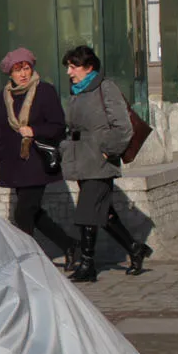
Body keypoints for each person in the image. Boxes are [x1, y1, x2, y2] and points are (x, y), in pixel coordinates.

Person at [59, 46, 151, 282]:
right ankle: (135, 248)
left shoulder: (105, 87)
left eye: (73, 66)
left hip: (99, 162)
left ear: (88, 67)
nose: (69, 72)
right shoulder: (77, 91)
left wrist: (107, 151)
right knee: (102, 214)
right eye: (68, 66)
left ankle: (88, 265)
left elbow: (123, 127)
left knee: (87, 213)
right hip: (82, 161)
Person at [0, 48, 77, 268]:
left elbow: (58, 127)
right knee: (33, 212)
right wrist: (0, 158)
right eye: (18, 70)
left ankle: (27, 261)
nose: (23, 74)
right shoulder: (5, 96)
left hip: (37, 162)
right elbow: (1, 130)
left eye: (26, 68)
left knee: (23, 213)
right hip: (14, 163)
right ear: (10, 73)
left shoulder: (44, 91)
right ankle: (70, 245)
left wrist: (34, 130)